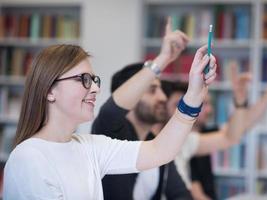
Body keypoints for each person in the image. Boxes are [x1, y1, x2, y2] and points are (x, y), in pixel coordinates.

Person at [3, 19, 218, 200]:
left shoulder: (90, 147)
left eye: (95, 80)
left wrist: (193, 95)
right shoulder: (29, 158)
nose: (96, 88)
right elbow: (114, 111)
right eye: (84, 80)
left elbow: (160, 151)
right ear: (50, 91)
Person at [91, 18, 202, 200]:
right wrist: (164, 58)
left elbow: (181, 195)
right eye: (152, 90)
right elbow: (111, 111)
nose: (163, 97)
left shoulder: (155, 142)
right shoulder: (109, 132)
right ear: (131, 95)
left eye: (160, 90)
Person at [152, 55, 267, 200]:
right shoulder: (176, 143)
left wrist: (244, 101)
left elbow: (239, 128)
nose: (209, 110)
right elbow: (196, 195)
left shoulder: (195, 137)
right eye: (203, 104)